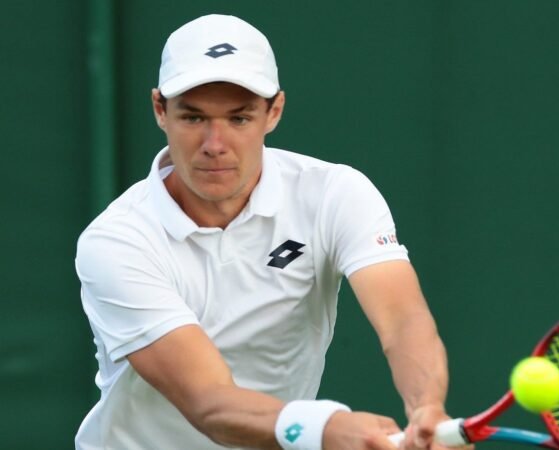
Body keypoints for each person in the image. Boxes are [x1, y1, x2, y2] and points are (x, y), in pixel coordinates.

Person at [74, 14, 462, 450]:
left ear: (273, 111)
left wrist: (427, 408)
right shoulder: (117, 242)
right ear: (160, 110)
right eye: (194, 118)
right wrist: (326, 428)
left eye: (239, 119)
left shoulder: (335, 194)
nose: (215, 144)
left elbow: (402, 319)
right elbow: (210, 403)